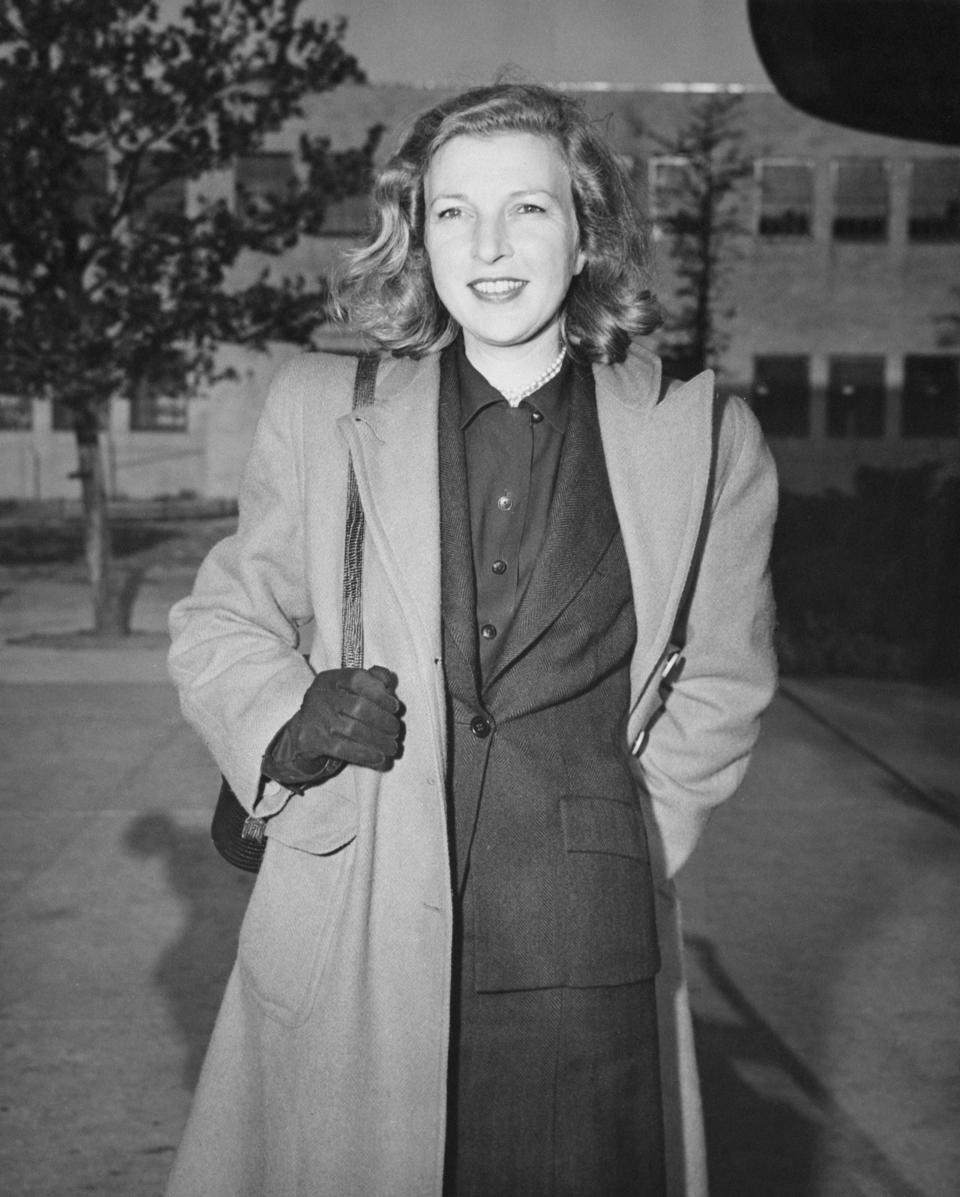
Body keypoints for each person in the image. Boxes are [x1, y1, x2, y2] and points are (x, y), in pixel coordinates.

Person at [165, 81, 778, 1197]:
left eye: (527, 210)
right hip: (360, 919)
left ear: (585, 228)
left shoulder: (703, 435)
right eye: (454, 212)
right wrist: (286, 728)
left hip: (579, 953)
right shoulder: (320, 407)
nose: (489, 246)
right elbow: (222, 617)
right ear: (417, 231)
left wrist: (626, 835)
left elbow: (725, 679)